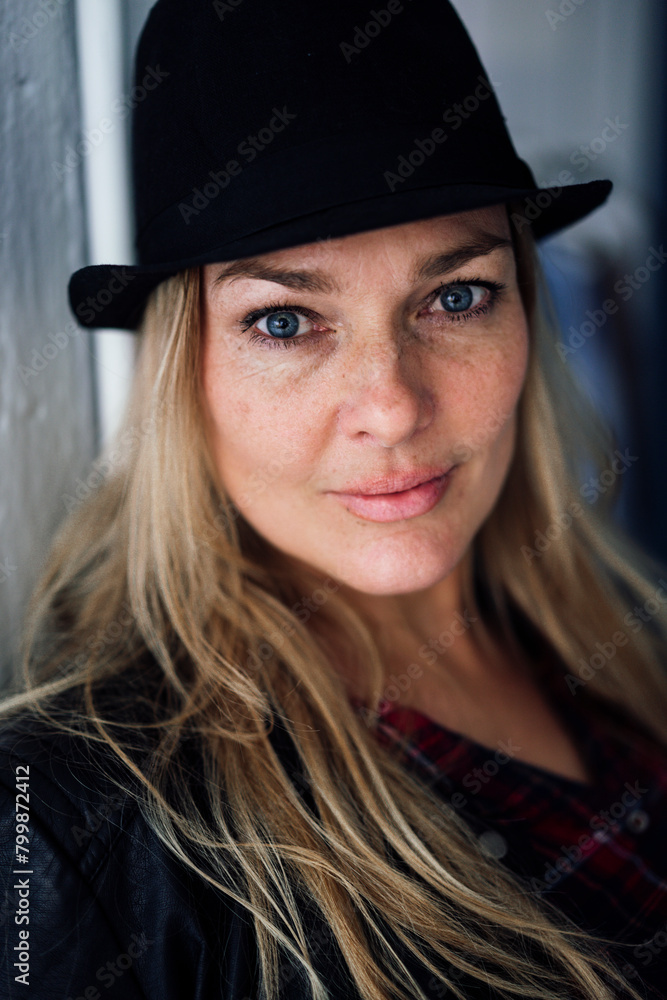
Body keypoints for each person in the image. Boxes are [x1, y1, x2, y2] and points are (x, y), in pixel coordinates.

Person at [1, 1, 666, 998]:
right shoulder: (71, 825)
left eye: (455, 296)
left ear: (526, 310)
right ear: (184, 371)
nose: (391, 407)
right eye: (284, 321)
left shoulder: (624, 637)